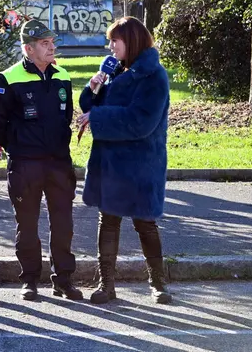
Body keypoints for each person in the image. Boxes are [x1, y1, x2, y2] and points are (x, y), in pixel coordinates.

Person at [76, 16, 172, 305]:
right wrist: (93, 88)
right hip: (111, 163)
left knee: (145, 223)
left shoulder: (154, 76)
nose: (110, 47)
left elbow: (141, 121)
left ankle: (158, 283)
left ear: (129, 41)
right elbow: (90, 107)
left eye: (114, 41)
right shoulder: (115, 70)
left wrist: (98, 117)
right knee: (108, 221)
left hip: (141, 164)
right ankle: (106, 285)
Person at [0, 21, 82, 302]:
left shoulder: (62, 75)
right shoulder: (8, 78)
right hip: (25, 164)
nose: (52, 47)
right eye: (44, 43)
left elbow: (66, 116)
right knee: (27, 224)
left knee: (63, 223)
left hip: (58, 162)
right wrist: (19, 146)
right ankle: (29, 280)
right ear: (28, 49)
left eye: (52, 42)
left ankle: (63, 280)